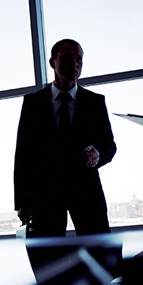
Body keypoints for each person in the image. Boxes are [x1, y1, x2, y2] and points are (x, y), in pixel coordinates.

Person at [14, 39, 117, 237]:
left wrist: (98, 154)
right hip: (45, 193)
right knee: (48, 260)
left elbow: (109, 145)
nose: (75, 63)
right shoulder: (32, 103)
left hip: (86, 191)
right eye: (67, 57)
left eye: (79, 59)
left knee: (101, 253)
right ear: (53, 62)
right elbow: (23, 153)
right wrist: (22, 201)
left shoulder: (95, 102)